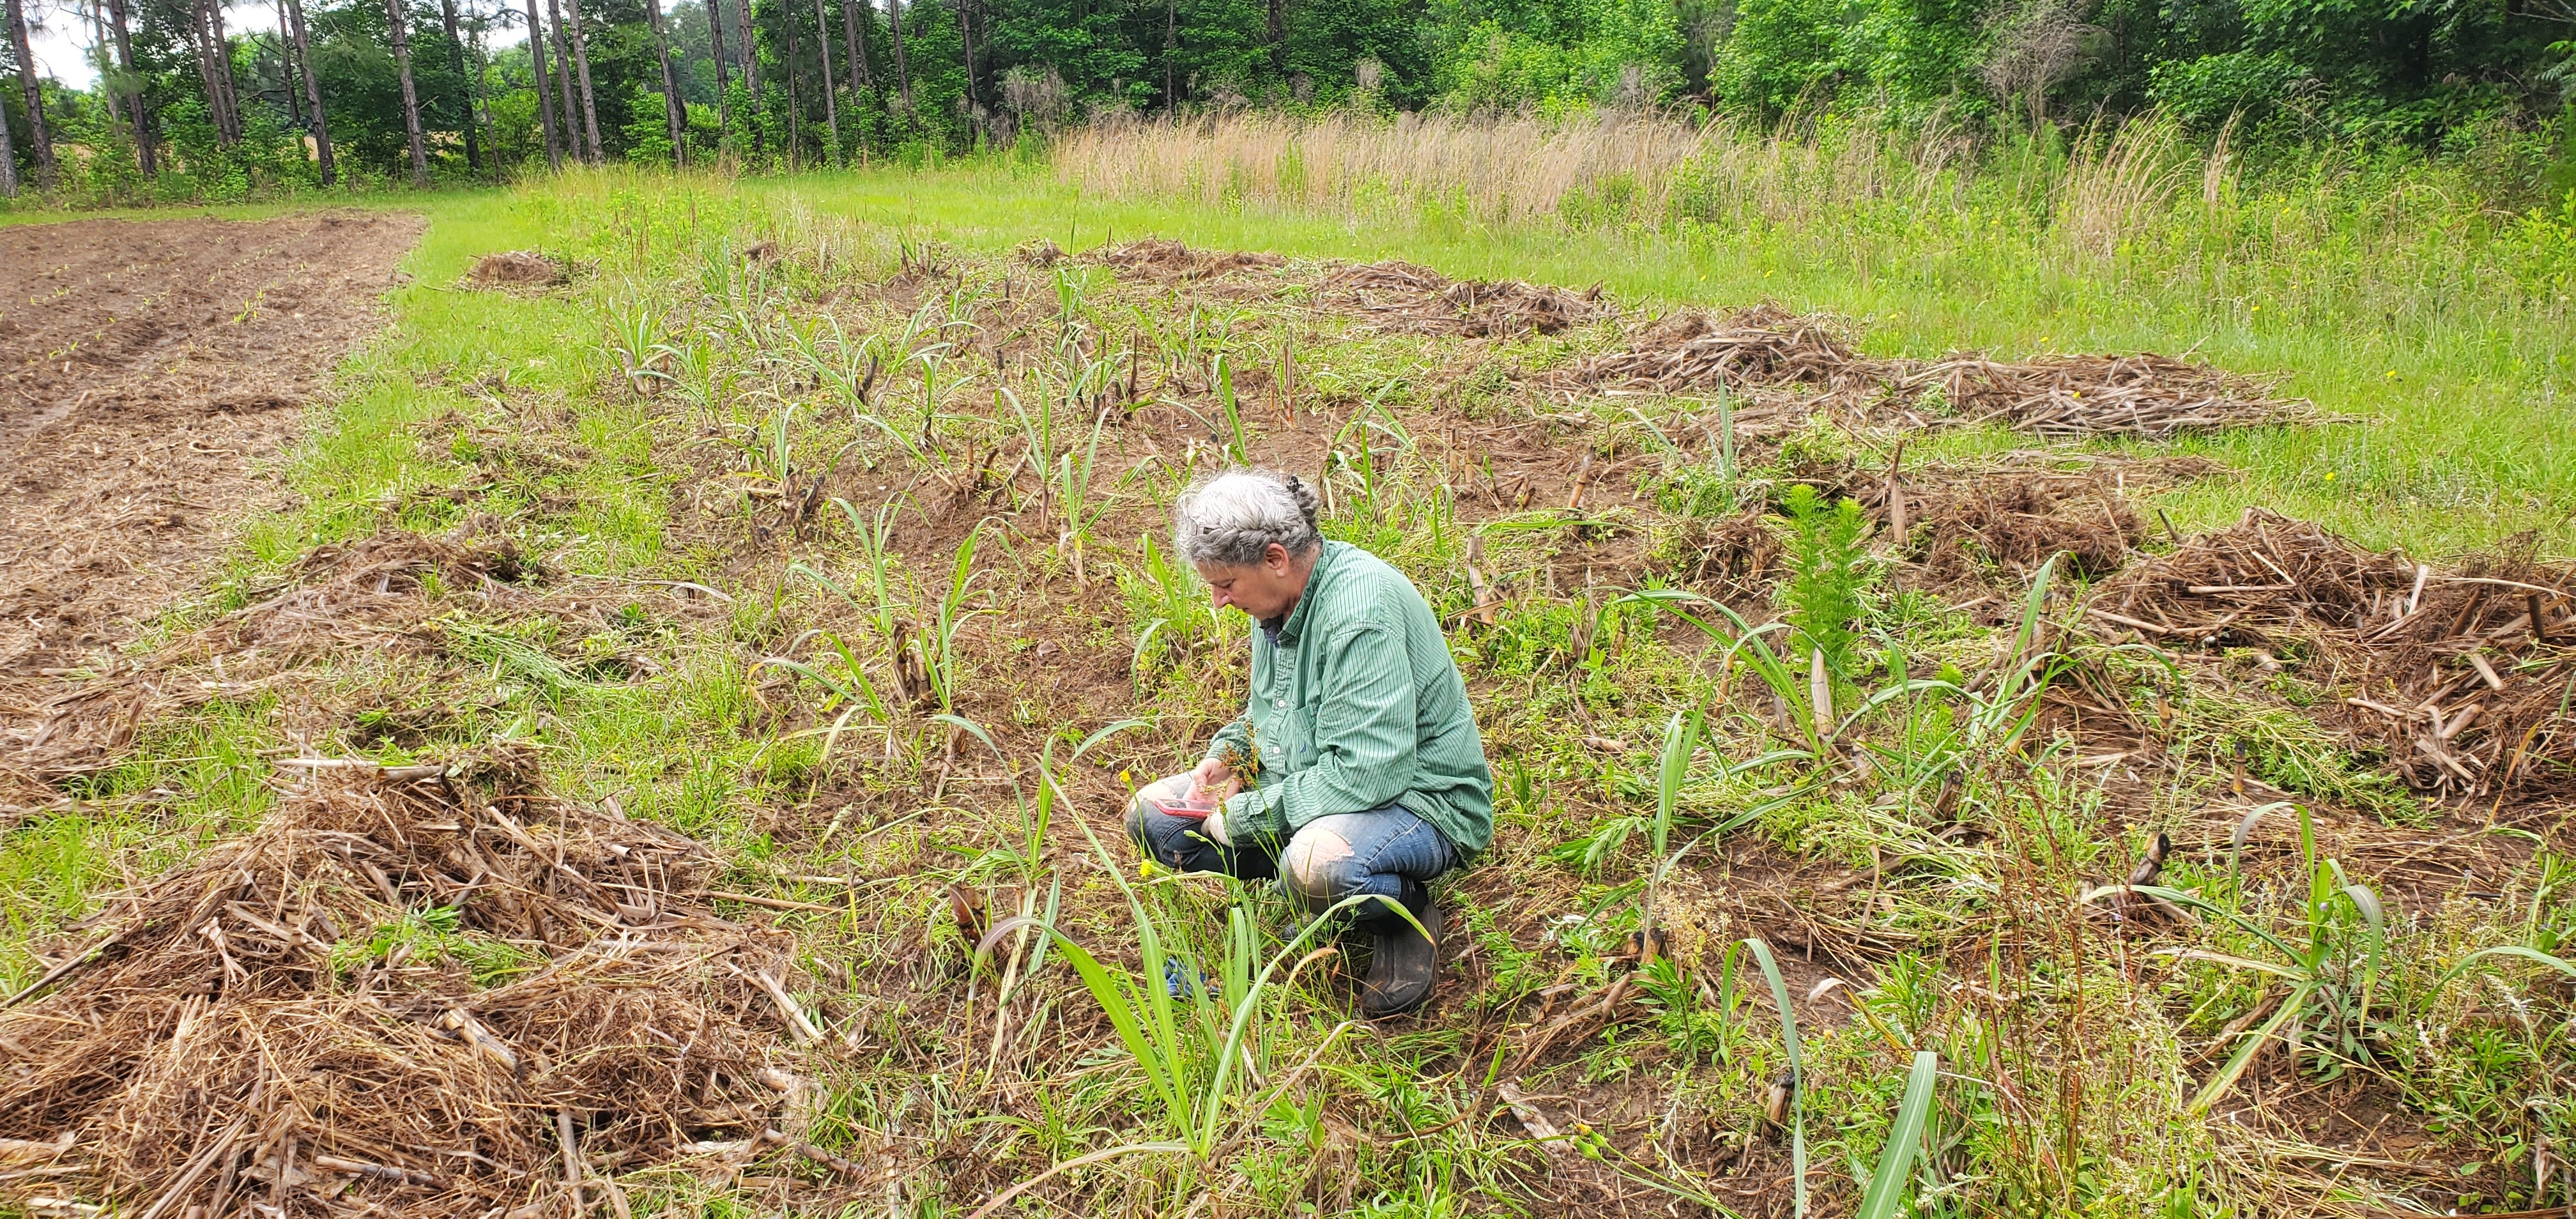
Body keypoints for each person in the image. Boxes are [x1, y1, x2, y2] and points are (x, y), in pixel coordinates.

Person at [1125, 468, 1494, 1015]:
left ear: (1275, 558)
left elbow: (1371, 773)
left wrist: (1247, 816)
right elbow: (1268, 711)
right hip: (1317, 778)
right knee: (1151, 819)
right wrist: (1230, 756)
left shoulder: (1358, 614)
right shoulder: (1277, 598)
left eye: (1225, 585)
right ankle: (1311, 895)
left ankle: (1404, 911)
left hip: (1419, 800)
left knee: (1315, 866)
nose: (1220, 602)